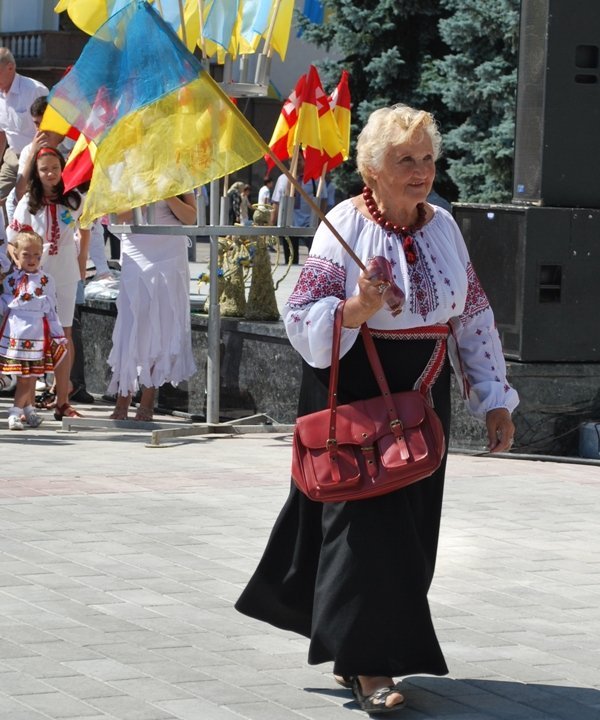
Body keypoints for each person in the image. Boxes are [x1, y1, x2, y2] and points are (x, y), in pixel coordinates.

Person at [235, 104, 519, 714]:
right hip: (358, 391)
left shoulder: (444, 226)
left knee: (412, 530)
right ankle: (370, 669)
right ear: (371, 169)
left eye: (427, 158)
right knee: (366, 531)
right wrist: (358, 307)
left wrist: (494, 400)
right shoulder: (342, 224)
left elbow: (472, 315)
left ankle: (360, 647)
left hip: (425, 395)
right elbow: (301, 315)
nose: (421, 171)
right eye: (405, 159)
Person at [7, 146, 89, 421]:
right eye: (44, 169)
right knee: (32, 335)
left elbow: (86, 227)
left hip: (65, 270)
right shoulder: (28, 202)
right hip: (37, 273)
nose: (50, 173)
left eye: (55, 168)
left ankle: (63, 400)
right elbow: (13, 240)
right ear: (36, 172)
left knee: (64, 334)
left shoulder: (74, 199)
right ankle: (26, 403)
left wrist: (82, 261)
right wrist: (22, 266)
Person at [107, 195, 197, 421]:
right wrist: (145, 196)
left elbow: (191, 218)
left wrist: (168, 195)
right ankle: (123, 395)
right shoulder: (127, 178)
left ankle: (148, 398)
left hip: (169, 247)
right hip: (137, 247)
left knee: (162, 321)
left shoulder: (178, 178)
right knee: (132, 321)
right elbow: (115, 216)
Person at [0, 230, 67, 429]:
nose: (32, 260)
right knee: (24, 378)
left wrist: (57, 334)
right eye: (26, 255)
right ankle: (17, 412)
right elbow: (5, 306)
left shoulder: (46, 280)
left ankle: (26, 410)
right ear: (16, 255)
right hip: (15, 335)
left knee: (30, 376)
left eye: (36, 255)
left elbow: (52, 310)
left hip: (36, 335)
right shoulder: (10, 281)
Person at [0, 49, 48, 200]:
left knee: (29, 202)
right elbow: (1, 133)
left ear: (10, 67)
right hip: (11, 157)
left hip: (35, 157)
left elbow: (50, 130)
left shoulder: (35, 90)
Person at [270, 154, 323, 265]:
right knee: (290, 261)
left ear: (304, 160)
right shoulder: (283, 179)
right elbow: (276, 202)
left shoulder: (314, 178)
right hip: (289, 223)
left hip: (309, 223)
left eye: (299, 160)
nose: (295, 163)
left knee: (314, 258)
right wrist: (272, 224)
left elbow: (323, 200)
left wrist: (320, 222)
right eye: (291, 160)